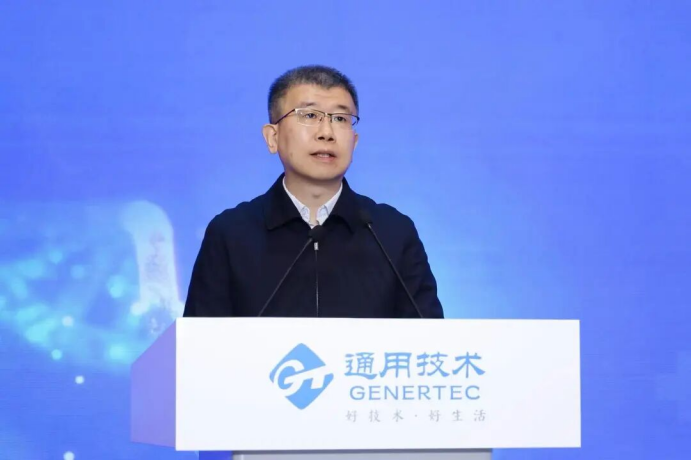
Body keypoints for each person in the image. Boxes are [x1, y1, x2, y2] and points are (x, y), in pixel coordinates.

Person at [183, 65, 443, 319]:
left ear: (354, 142)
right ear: (272, 137)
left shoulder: (391, 233)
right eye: (309, 116)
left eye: (340, 119)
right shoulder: (231, 234)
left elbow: (433, 341)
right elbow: (197, 342)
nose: (326, 133)